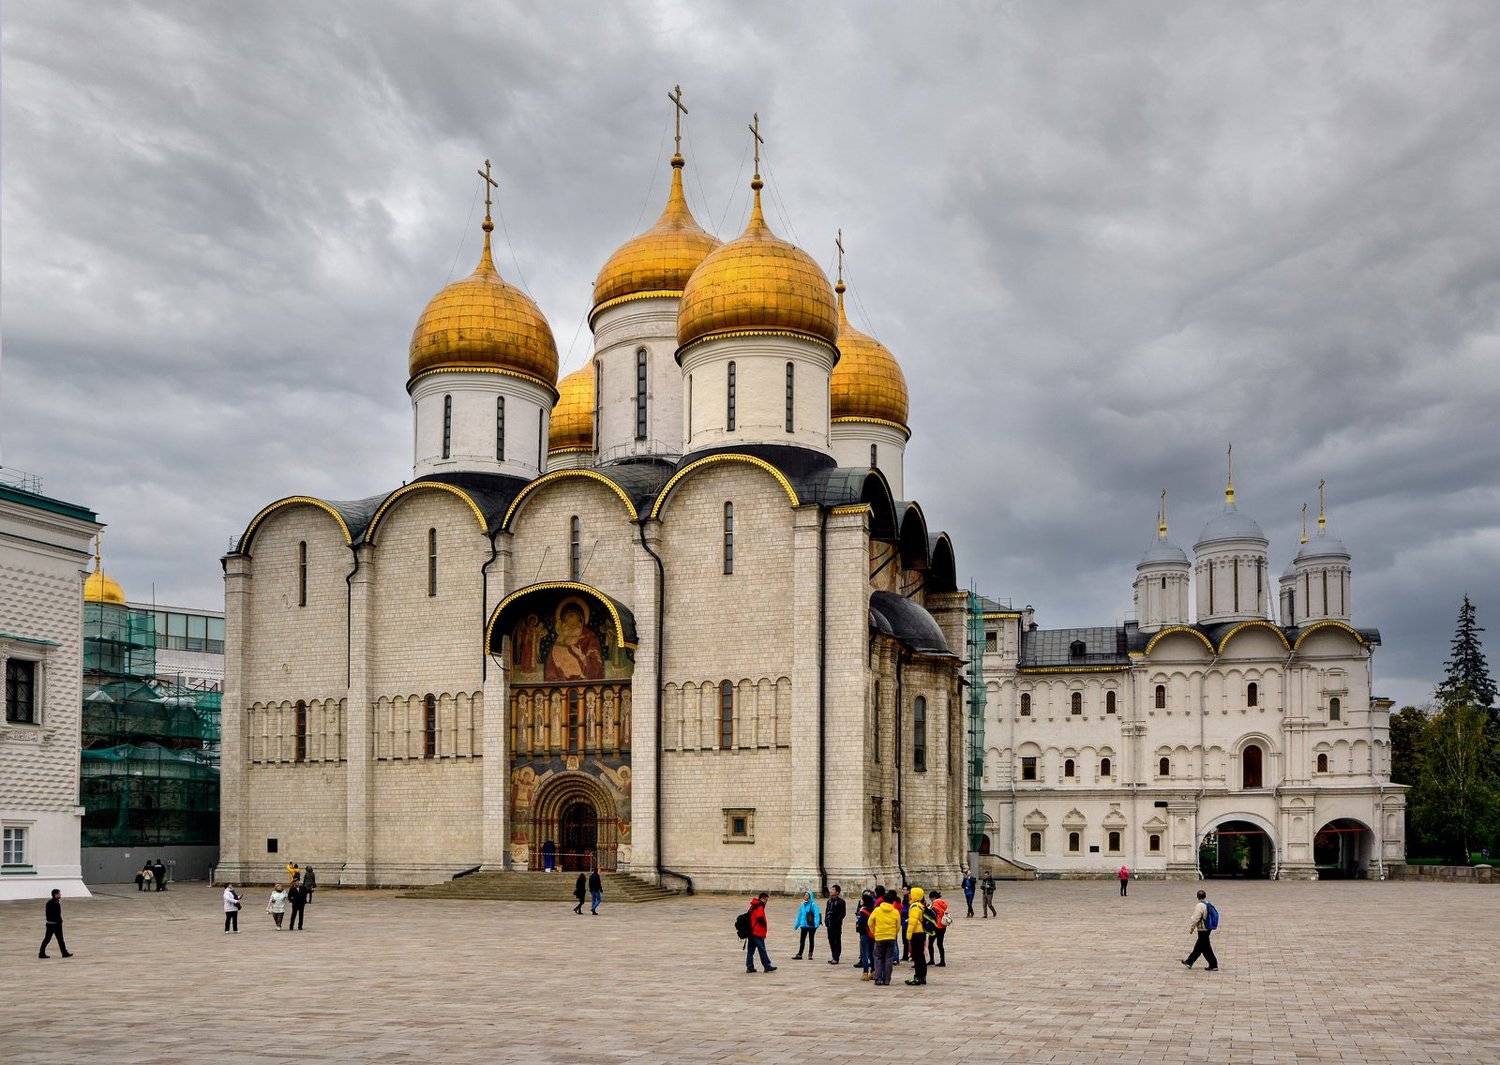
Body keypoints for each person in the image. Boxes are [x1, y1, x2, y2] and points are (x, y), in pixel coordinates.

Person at [869, 889, 901, 986]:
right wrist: (893, 933)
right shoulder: (895, 912)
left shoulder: (877, 910)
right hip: (891, 937)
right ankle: (887, 979)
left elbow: (870, 922)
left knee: (878, 958)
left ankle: (878, 978)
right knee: (889, 959)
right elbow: (898, 926)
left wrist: (874, 931)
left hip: (879, 937)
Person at [1182, 889, 1219, 971]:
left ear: (1197, 897)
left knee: (1205, 947)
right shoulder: (1208, 903)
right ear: (1205, 896)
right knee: (1199, 946)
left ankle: (1213, 964)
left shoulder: (1200, 906)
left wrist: (1192, 928)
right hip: (1208, 927)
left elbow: (1196, 918)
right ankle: (1189, 961)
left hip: (1202, 928)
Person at [744, 893, 776, 973]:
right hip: (757, 932)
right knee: (762, 950)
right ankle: (767, 966)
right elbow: (760, 916)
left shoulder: (753, 905)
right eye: (766, 900)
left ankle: (750, 967)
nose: (766, 902)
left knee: (750, 951)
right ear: (762, 898)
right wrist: (764, 925)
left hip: (751, 932)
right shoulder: (760, 906)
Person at [905, 886, 929, 986]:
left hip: (916, 933)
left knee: (917, 956)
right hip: (921, 933)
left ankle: (918, 977)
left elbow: (912, 922)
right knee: (920, 956)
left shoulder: (914, 907)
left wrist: (908, 935)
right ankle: (922, 977)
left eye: (911, 893)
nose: (909, 895)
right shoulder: (920, 905)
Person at [38, 889, 72, 959]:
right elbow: (57, 914)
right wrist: (60, 921)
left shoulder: (50, 902)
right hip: (54, 924)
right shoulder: (55, 903)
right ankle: (42, 953)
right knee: (50, 939)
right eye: (59, 894)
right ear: (56, 895)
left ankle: (64, 953)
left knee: (56, 939)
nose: (60, 895)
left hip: (51, 923)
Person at [792, 890, 821, 959]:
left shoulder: (813, 904)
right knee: (802, 940)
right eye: (805, 895)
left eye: (807, 895)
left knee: (811, 940)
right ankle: (800, 954)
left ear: (810, 896)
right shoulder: (802, 904)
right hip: (803, 925)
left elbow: (817, 915)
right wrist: (797, 925)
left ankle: (810, 954)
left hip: (811, 925)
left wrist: (816, 924)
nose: (805, 896)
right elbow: (799, 915)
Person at [855, 891, 875, 980]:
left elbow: (861, 923)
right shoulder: (874, 909)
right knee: (872, 953)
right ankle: (873, 971)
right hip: (872, 933)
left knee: (865, 954)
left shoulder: (863, 911)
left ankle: (865, 973)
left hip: (864, 934)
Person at [824, 884, 846, 964]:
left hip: (836, 925)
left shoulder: (841, 902)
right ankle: (833, 956)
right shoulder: (829, 901)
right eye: (831, 889)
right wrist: (826, 920)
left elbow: (843, 914)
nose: (831, 891)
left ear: (837, 892)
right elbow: (827, 911)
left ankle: (836, 957)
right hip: (829, 924)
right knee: (831, 940)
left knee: (836, 941)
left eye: (833, 890)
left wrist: (837, 921)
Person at [927, 890, 948, 967]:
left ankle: (932, 960)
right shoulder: (943, 902)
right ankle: (942, 961)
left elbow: (933, 913)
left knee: (930, 943)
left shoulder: (935, 903)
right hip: (943, 925)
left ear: (933, 897)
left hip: (936, 925)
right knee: (940, 944)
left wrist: (928, 908)